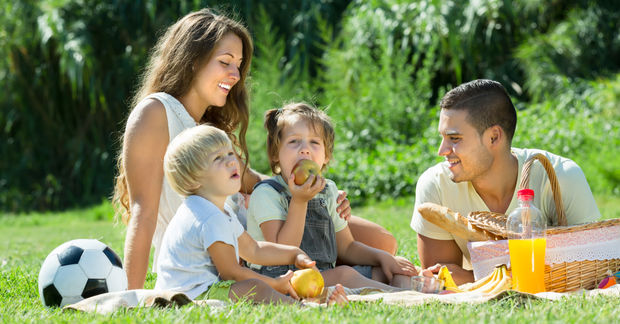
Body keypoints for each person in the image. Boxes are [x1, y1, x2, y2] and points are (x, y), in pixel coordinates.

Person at [112, 9, 395, 290]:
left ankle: (359, 277)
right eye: (225, 62)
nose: (235, 74)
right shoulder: (156, 112)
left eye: (238, 64)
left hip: (253, 239)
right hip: (226, 256)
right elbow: (143, 212)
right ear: (192, 61)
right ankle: (352, 279)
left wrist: (317, 191)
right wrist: (130, 296)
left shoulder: (210, 129)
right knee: (356, 264)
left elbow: (254, 182)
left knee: (383, 242)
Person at [410, 79, 601, 284]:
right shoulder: (436, 186)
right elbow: (443, 280)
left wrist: (474, 277)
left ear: (493, 137)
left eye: (454, 139)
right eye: (443, 137)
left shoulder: (560, 176)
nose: (442, 151)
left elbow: (595, 268)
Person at [154, 125, 348, 305]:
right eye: (218, 158)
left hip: (203, 289)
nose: (231, 161)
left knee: (258, 286)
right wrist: (275, 284)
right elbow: (232, 273)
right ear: (193, 180)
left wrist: (293, 254)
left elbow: (253, 249)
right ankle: (304, 308)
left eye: (230, 153)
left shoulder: (220, 210)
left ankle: (309, 301)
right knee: (255, 287)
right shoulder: (207, 216)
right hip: (191, 295)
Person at [247, 102, 417, 290]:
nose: (305, 149)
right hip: (280, 279)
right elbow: (281, 252)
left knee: (391, 268)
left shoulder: (328, 191)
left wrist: (382, 257)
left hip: (321, 275)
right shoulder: (267, 193)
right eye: (294, 141)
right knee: (344, 274)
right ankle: (399, 296)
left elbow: (347, 247)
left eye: (314, 142)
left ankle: (406, 289)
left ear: (326, 156)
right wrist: (299, 201)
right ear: (275, 154)